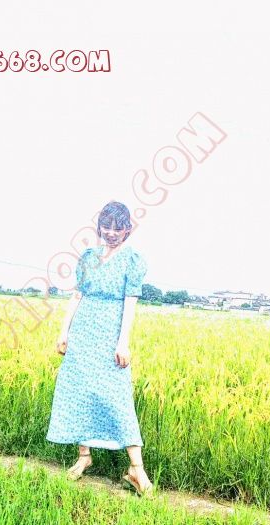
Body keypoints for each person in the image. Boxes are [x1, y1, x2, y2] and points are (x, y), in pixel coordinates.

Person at [46, 201, 154, 497]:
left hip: (110, 336)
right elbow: (77, 296)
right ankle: (84, 456)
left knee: (117, 398)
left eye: (118, 228)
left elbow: (129, 304)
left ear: (127, 229)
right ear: (99, 227)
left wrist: (123, 342)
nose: (111, 233)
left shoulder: (133, 260)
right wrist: (64, 331)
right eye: (106, 227)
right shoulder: (88, 257)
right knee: (80, 391)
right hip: (82, 334)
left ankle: (136, 468)